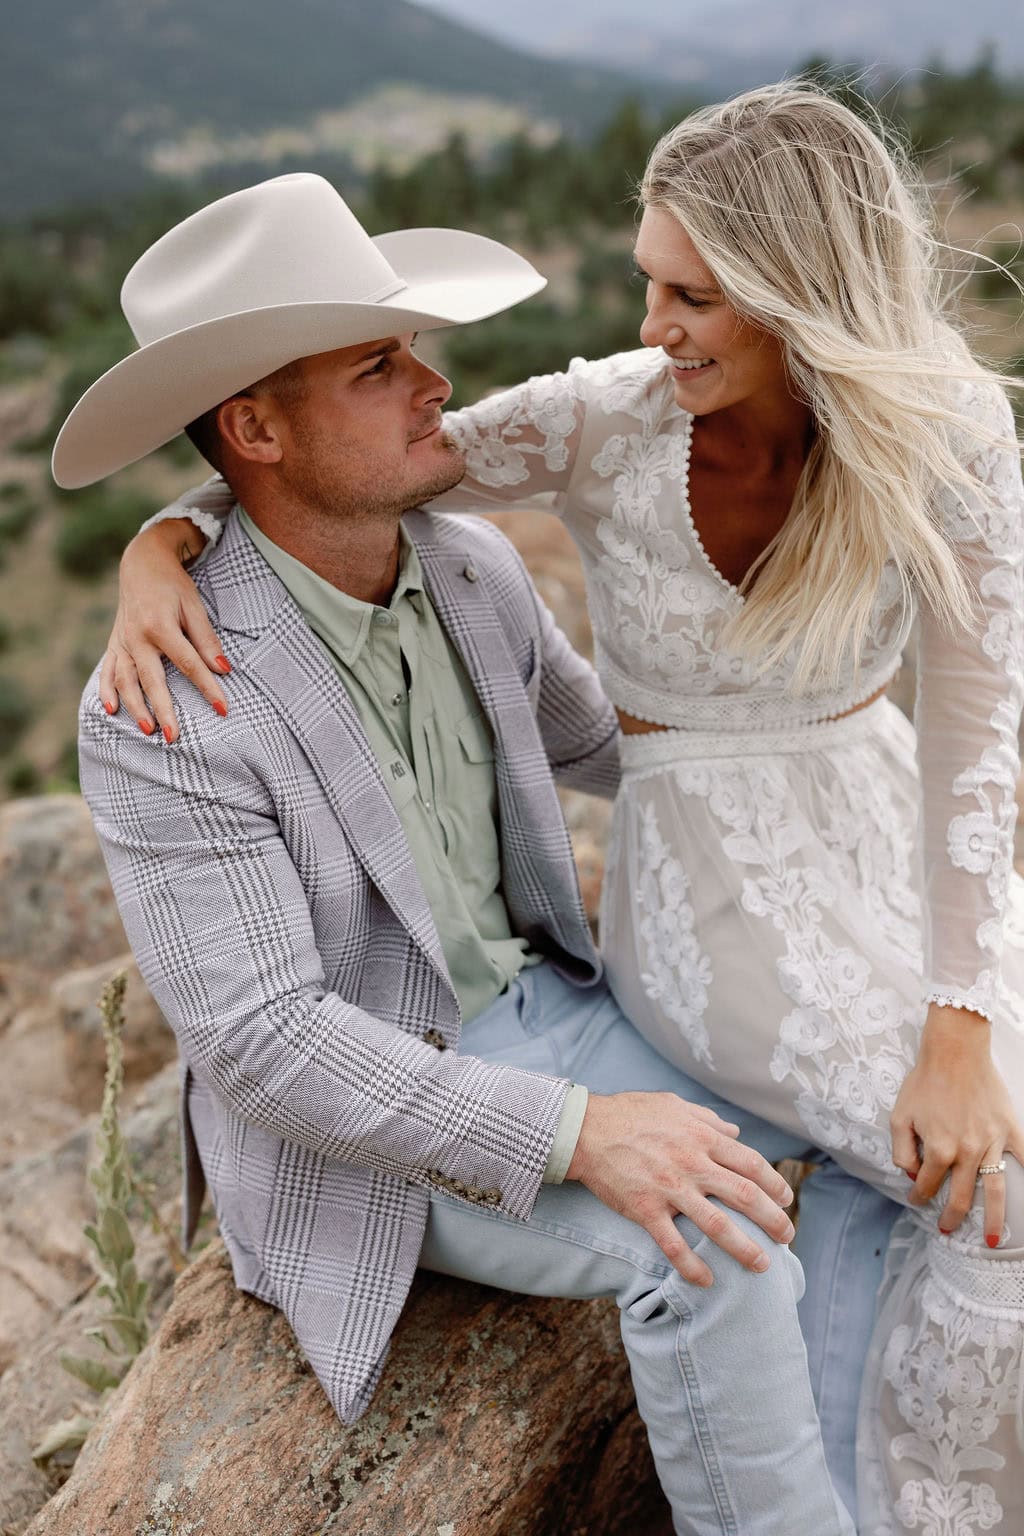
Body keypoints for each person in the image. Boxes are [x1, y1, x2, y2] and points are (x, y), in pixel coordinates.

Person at [105, 83, 1024, 1533]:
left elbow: (620, 746)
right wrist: (573, 1136)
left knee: (866, 1157)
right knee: (714, 1241)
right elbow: (270, 1044)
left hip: (563, 1003)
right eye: (379, 364)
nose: (434, 385)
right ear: (255, 430)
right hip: (379, 1101)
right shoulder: (160, 708)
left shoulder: (469, 572)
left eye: (414, 348)